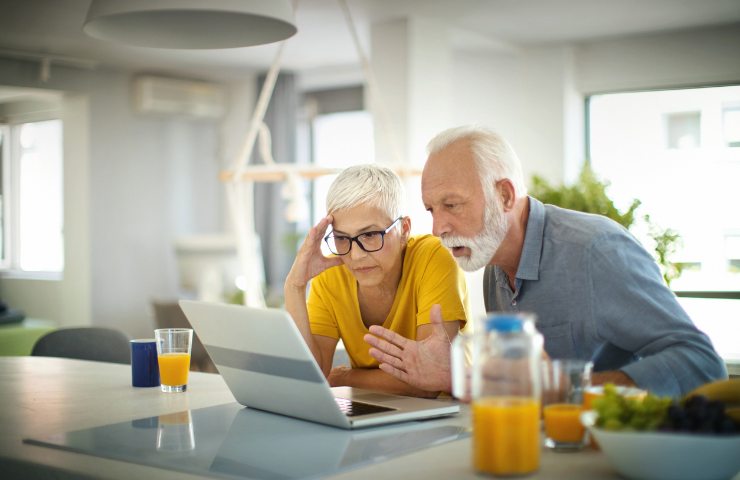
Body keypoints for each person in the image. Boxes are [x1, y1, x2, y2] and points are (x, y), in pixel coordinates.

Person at [364, 125, 727, 397]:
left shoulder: (595, 252)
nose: (439, 227)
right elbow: (520, 391)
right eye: (431, 209)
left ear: (504, 195)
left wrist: (570, 388)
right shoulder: (494, 265)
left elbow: (703, 365)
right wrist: (456, 376)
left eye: (452, 205)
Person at [284, 163, 468, 398]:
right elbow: (313, 377)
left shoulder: (433, 256)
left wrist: (345, 378)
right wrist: (295, 286)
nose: (356, 255)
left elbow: (428, 381)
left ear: (404, 229)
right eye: (341, 238)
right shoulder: (331, 273)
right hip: (373, 410)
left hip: (445, 417)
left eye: (370, 235)